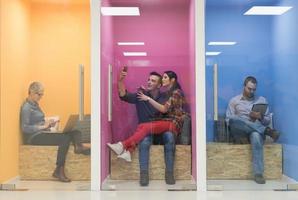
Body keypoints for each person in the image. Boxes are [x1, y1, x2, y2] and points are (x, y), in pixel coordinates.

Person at [108, 69, 188, 186]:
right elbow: (123, 95)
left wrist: (149, 98)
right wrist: (120, 80)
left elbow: (167, 109)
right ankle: (144, 174)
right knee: (144, 141)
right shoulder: (141, 95)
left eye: (153, 81)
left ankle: (169, 173)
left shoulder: (166, 96)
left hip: (163, 129)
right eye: (148, 80)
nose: (149, 82)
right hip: (146, 133)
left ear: (159, 85)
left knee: (170, 137)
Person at [20, 82, 90, 182]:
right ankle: (59, 169)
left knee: (74, 131)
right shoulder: (26, 108)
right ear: (31, 92)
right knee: (64, 138)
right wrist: (42, 126)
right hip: (34, 137)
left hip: (43, 133)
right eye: (39, 94)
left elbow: (39, 121)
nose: (41, 97)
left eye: (42, 94)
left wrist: (48, 123)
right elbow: (25, 128)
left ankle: (79, 146)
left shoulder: (35, 105)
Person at [226, 76, 280, 184]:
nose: (251, 91)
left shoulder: (262, 100)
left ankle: (258, 173)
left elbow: (267, 119)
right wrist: (242, 120)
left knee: (255, 135)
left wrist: (260, 117)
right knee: (235, 119)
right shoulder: (234, 101)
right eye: (249, 88)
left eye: (254, 89)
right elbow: (229, 121)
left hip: (256, 131)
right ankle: (267, 131)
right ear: (244, 86)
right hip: (239, 132)